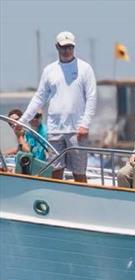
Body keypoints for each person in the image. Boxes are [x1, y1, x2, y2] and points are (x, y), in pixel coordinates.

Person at [20, 31, 96, 183]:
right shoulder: (49, 70)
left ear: (74, 47)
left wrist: (85, 124)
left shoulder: (85, 68)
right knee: (55, 171)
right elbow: (39, 97)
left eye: (70, 47)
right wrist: (23, 120)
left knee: (79, 173)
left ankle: (82, 204)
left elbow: (92, 97)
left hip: (77, 130)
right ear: (57, 47)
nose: (67, 50)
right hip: (55, 129)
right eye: (63, 47)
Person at [4, 108, 50, 176]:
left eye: (37, 116)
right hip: (29, 166)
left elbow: (29, 153)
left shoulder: (46, 132)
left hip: (39, 169)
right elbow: (20, 149)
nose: (34, 119)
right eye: (11, 123)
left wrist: (20, 137)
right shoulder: (29, 133)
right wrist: (3, 153)